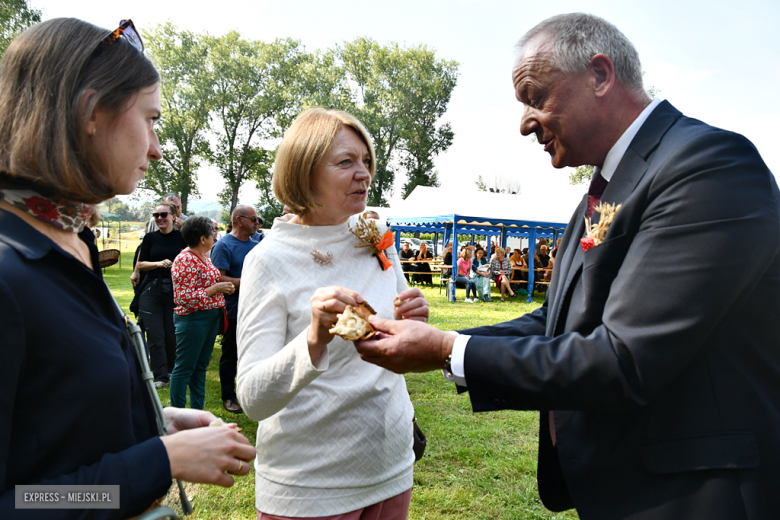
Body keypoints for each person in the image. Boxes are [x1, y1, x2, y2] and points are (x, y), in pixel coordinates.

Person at [355, 12, 780, 520]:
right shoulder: (606, 191)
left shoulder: (706, 165)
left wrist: (449, 350)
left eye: (537, 97)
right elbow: (559, 319)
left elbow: (626, 359)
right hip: (634, 484)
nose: (525, 123)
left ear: (600, 75)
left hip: (700, 495)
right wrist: (447, 345)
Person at [0, 18, 255, 519]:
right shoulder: (9, 272)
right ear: (93, 111)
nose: (157, 147)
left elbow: (53, 424)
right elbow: (20, 505)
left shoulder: (74, 240)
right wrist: (159, 460)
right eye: (151, 119)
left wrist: (150, 420)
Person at [236, 107, 429, 519]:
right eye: (346, 162)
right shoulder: (268, 260)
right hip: (311, 482)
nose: (364, 173)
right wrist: (313, 339)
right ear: (305, 172)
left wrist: (412, 321)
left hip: (392, 464)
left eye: (366, 161)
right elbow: (251, 398)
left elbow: (391, 336)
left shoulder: (377, 236)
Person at [171, 216, 235, 409]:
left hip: (209, 318)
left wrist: (221, 288)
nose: (215, 237)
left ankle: (197, 411)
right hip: (193, 320)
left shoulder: (203, 257)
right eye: (212, 234)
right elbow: (184, 298)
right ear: (202, 238)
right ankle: (178, 413)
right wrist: (215, 289)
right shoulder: (185, 259)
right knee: (184, 369)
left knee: (200, 368)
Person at [210, 204, 261, 413]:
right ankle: (229, 397)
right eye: (254, 219)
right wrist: (247, 280)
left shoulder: (259, 243)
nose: (257, 223)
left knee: (255, 353)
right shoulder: (223, 245)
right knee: (231, 354)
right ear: (239, 220)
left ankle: (251, 394)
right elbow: (218, 278)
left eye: (258, 220)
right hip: (234, 309)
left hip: (258, 307)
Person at [137, 202, 187, 388]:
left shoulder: (182, 237)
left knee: (171, 335)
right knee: (155, 334)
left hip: (175, 290)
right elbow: (141, 264)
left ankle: (171, 370)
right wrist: (159, 264)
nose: (159, 218)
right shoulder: (150, 238)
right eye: (156, 215)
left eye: (164, 214)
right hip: (152, 289)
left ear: (174, 217)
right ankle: (159, 376)